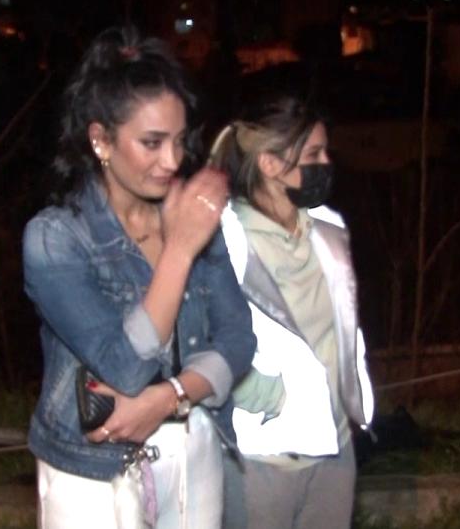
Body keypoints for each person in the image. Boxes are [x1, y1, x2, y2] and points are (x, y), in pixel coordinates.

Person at [22, 26, 255, 528]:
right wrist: (179, 250)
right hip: (92, 466)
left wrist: (170, 396)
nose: (172, 161)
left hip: (194, 445)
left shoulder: (191, 216)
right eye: (152, 143)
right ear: (101, 140)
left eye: (179, 141)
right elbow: (124, 367)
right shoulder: (56, 237)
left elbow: (238, 338)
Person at [208, 91, 374, 529]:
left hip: (335, 447)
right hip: (263, 456)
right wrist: (267, 397)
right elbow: (200, 339)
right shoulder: (225, 241)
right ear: (269, 163)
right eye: (313, 154)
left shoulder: (327, 230)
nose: (326, 163)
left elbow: (343, 328)